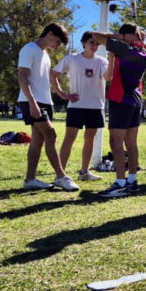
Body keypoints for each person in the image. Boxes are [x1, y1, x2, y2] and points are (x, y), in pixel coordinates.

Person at [87, 24, 146, 198]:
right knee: (131, 142)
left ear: (126, 36)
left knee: (115, 142)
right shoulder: (144, 54)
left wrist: (122, 37)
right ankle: (132, 181)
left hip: (121, 99)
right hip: (135, 101)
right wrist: (140, 41)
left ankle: (120, 183)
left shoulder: (124, 49)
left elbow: (95, 34)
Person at [16, 23, 80, 191]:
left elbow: (45, 79)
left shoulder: (44, 54)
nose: (57, 46)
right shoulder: (29, 49)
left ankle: (30, 180)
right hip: (32, 101)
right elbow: (22, 78)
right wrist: (32, 103)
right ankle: (61, 177)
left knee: (37, 141)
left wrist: (60, 94)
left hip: (45, 102)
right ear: (49, 34)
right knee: (51, 135)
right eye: (57, 41)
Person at [49, 31, 109, 181]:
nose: (94, 46)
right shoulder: (72, 58)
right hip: (76, 106)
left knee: (90, 138)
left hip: (96, 106)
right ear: (83, 43)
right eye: (91, 42)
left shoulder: (102, 61)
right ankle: (60, 175)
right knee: (69, 138)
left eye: (97, 43)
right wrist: (62, 94)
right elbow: (53, 74)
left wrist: (113, 56)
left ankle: (84, 172)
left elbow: (108, 77)